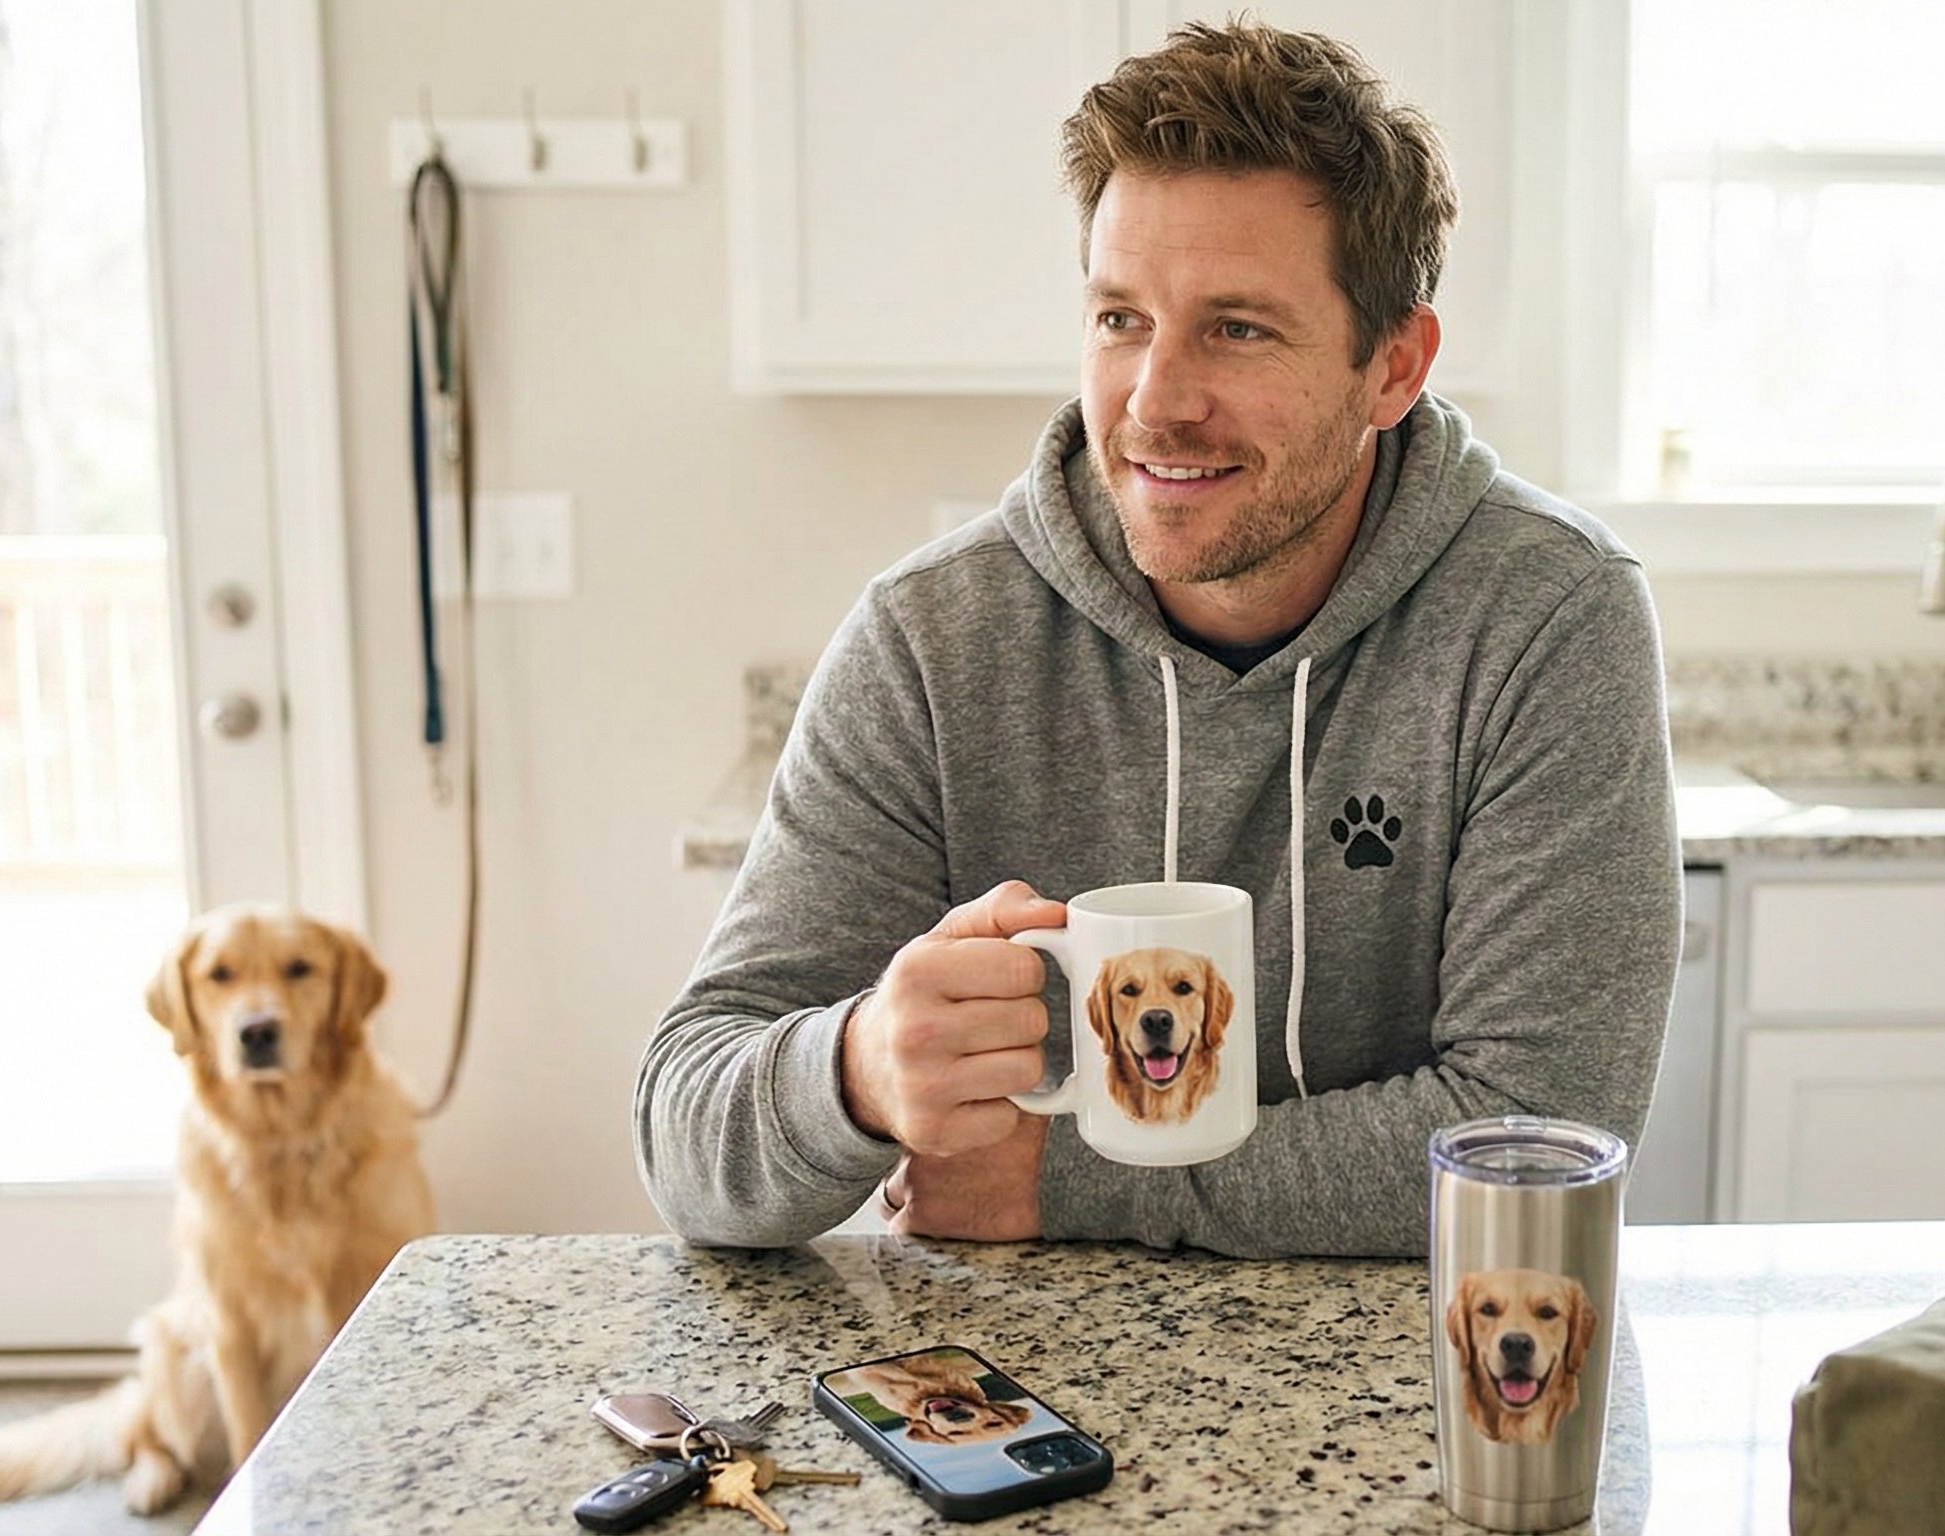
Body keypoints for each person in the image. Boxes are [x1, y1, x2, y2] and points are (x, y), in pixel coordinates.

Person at [635, 20, 1679, 1259]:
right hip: (1021, 1396)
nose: (1155, 401)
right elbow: (687, 1137)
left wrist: (1072, 1182)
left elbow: (1541, 1133)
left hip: (1422, 1394)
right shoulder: (932, 642)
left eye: (1237, 328)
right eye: (1121, 318)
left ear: (1393, 364)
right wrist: (855, 1069)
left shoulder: (1545, 619)